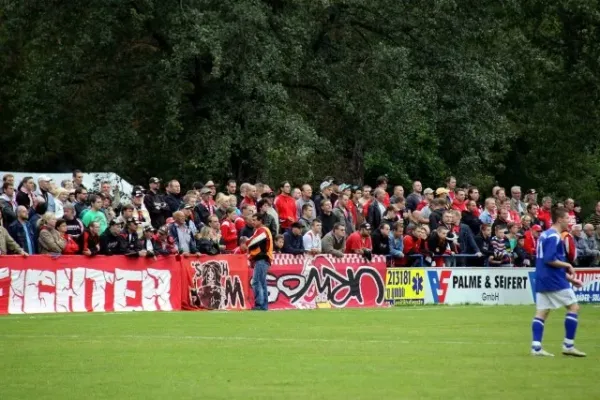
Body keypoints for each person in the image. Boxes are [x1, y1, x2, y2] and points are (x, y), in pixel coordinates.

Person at [531, 207, 586, 357]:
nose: (570, 221)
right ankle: (568, 345)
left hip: (543, 278)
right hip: (553, 280)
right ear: (560, 219)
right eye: (568, 218)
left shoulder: (544, 235)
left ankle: (536, 347)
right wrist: (568, 265)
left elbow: (546, 261)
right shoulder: (554, 236)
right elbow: (550, 260)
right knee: (573, 307)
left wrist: (570, 279)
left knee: (542, 312)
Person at [244, 213, 273, 311]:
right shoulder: (264, 230)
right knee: (262, 282)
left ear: (260, 221)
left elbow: (252, 242)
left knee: (256, 282)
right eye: (252, 220)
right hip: (264, 259)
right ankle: (264, 306)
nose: (253, 222)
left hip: (262, 258)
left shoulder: (262, 230)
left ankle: (259, 305)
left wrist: (246, 242)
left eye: (255, 220)